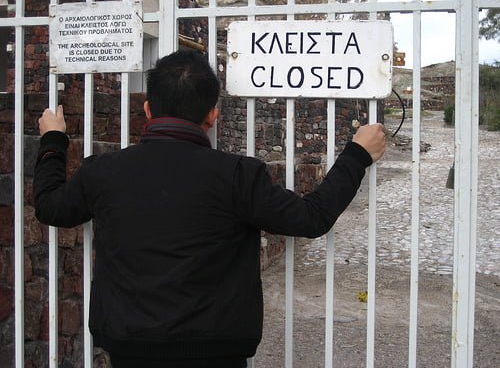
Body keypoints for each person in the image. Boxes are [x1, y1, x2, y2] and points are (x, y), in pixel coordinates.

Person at [34, 49, 385, 368]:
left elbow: (51, 207)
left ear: (147, 109)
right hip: (217, 348)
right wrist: (356, 155)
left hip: (130, 344)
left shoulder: (104, 172)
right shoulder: (238, 176)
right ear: (213, 114)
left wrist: (53, 139)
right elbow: (312, 217)